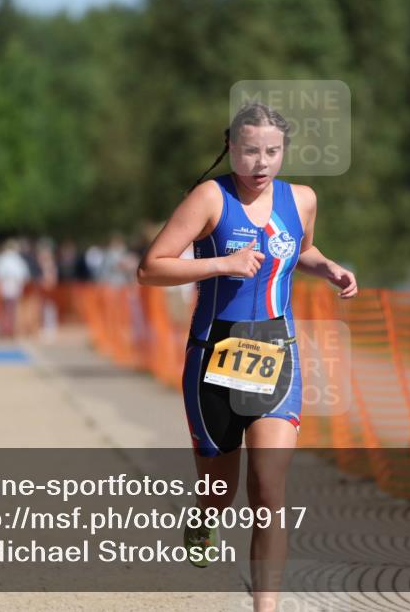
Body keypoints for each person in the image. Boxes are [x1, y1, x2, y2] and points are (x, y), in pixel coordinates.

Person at [137, 102, 357, 612]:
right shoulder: (209, 198)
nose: (261, 163)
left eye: (273, 152)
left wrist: (327, 267)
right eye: (251, 150)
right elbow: (151, 268)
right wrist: (222, 264)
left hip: (276, 351)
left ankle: (266, 608)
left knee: (268, 488)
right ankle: (203, 518)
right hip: (214, 352)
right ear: (231, 147)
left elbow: (299, 249)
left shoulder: (300, 198)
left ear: (284, 152)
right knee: (220, 492)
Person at [0, 239, 30, 338]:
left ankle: (4, 330)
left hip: (4, 286)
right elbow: (24, 275)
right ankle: (9, 330)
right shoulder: (17, 259)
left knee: (4, 309)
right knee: (11, 310)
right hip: (13, 286)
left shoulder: (2, 258)